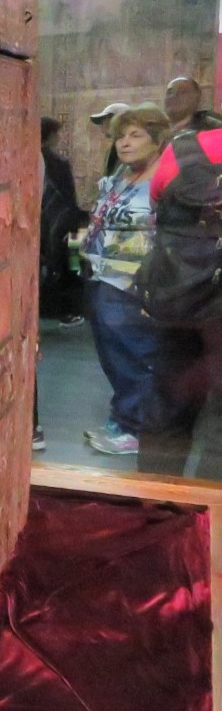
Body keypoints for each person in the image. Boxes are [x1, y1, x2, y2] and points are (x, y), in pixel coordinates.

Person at [78, 104, 169, 456]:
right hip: (103, 275)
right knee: (112, 354)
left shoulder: (164, 177)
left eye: (135, 135)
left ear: (157, 140)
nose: (124, 143)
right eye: (120, 137)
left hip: (133, 282)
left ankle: (137, 429)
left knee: (135, 354)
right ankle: (123, 418)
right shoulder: (122, 173)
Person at [139, 111, 222, 479]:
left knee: (169, 400)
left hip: (181, 296)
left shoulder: (183, 149)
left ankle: (156, 501)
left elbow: (158, 208)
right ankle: (213, 506)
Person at [39, 117, 86, 327]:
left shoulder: (25, 158)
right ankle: (67, 311)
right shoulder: (58, 163)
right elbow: (68, 197)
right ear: (50, 136)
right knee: (70, 264)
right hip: (62, 225)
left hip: (40, 224)